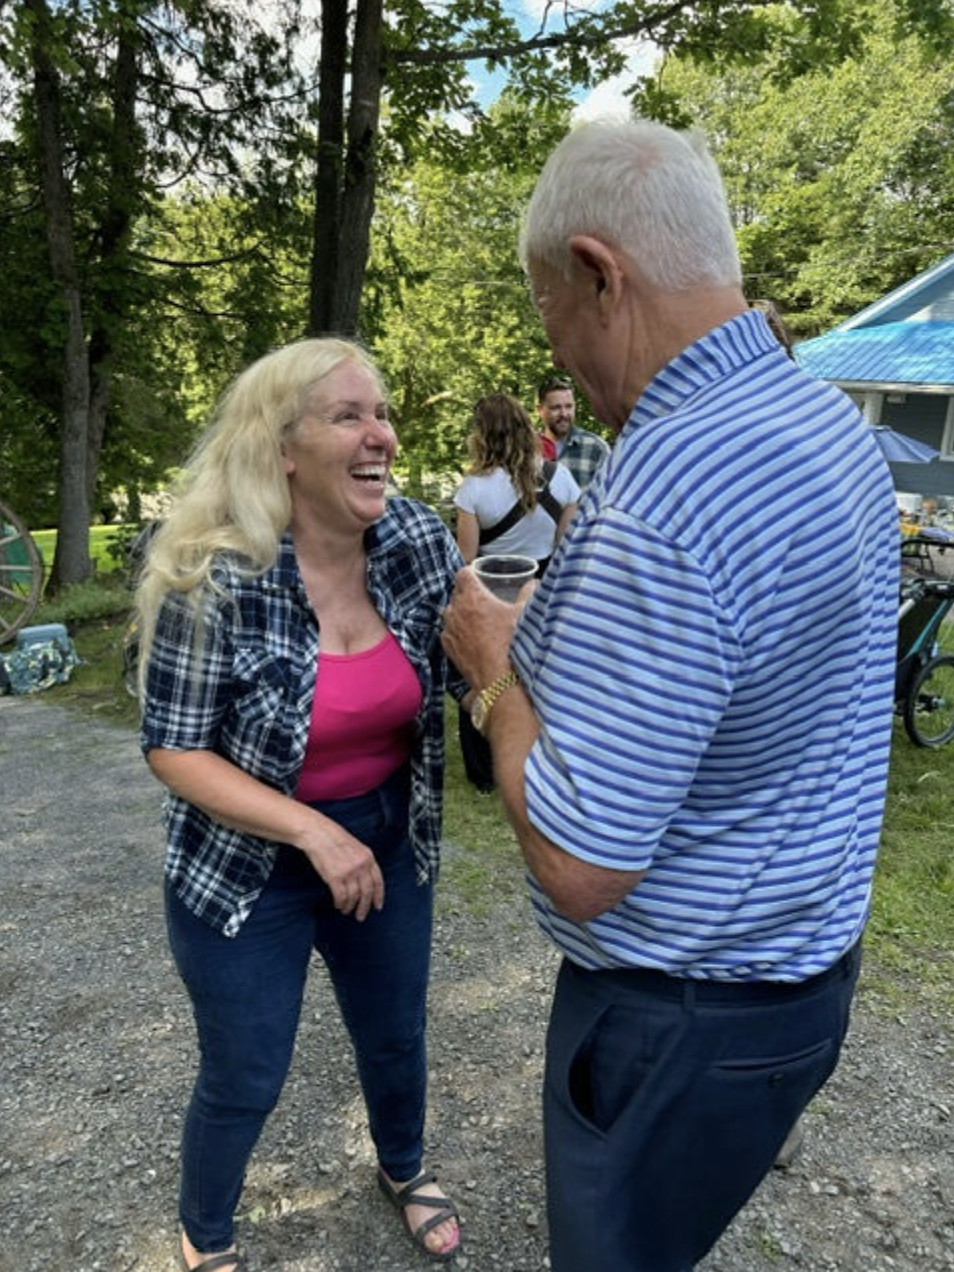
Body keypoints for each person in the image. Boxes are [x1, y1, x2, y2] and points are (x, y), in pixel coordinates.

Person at [441, 117, 899, 1272]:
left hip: (676, 1018)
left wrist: (492, 674)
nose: (556, 354)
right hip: (799, 971)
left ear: (599, 273)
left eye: (548, 309)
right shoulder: (827, 424)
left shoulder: (665, 492)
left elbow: (581, 866)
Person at [136, 337, 464, 1272]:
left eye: (382, 414)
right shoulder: (212, 573)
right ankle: (206, 1235)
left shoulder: (415, 542)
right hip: (247, 863)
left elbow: (478, 664)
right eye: (349, 416)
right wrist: (311, 830)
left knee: (395, 1034)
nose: (381, 436)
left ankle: (403, 1167)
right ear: (281, 447)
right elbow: (174, 748)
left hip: (386, 839)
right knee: (245, 1068)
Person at [453, 391, 579, 792]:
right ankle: (540, 758)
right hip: (542, 586)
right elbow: (565, 547)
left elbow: (465, 558)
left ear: (482, 434)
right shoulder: (561, 478)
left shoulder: (473, 488)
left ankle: (484, 771)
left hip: (490, 587)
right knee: (539, 677)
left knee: (482, 673)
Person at [536, 372, 609, 489]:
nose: (564, 414)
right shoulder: (526, 449)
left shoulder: (596, 448)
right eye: (556, 407)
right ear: (540, 410)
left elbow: (612, 493)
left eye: (568, 406)